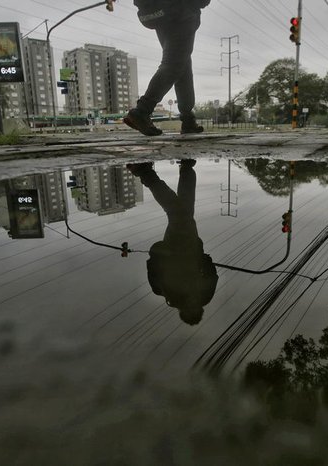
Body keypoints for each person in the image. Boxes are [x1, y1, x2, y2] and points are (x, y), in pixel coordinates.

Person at [127, 159, 218, 325]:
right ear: (200, 308)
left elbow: (153, 270)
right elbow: (212, 275)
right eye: (195, 308)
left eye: (189, 309)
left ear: (182, 310)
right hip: (190, 247)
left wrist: (160, 254)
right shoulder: (204, 296)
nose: (192, 304)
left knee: (179, 213)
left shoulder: (168, 294)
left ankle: (151, 172)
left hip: (174, 247)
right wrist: (202, 257)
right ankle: (174, 169)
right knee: (183, 210)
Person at [124, 0, 210, 136]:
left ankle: (188, 119)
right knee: (174, 64)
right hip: (180, 10)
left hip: (159, 13)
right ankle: (142, 111)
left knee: (182, 63)